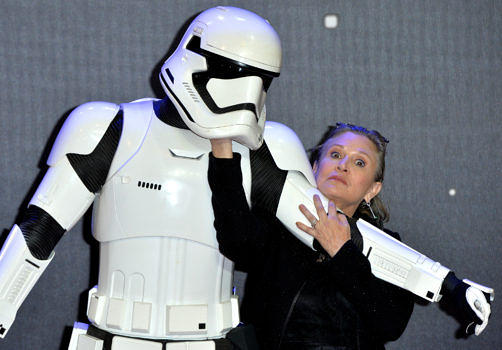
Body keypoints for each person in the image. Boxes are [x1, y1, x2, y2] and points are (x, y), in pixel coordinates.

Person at [208, 123, 492, 349]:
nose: (343, 165)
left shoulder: (390, 250)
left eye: (359, 163)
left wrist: (342, 252)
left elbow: (389, 324)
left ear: (372, 189)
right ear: (314, 168)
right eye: (335, 155)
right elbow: (236, 241)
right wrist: (222, 147)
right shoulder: (278, 229)